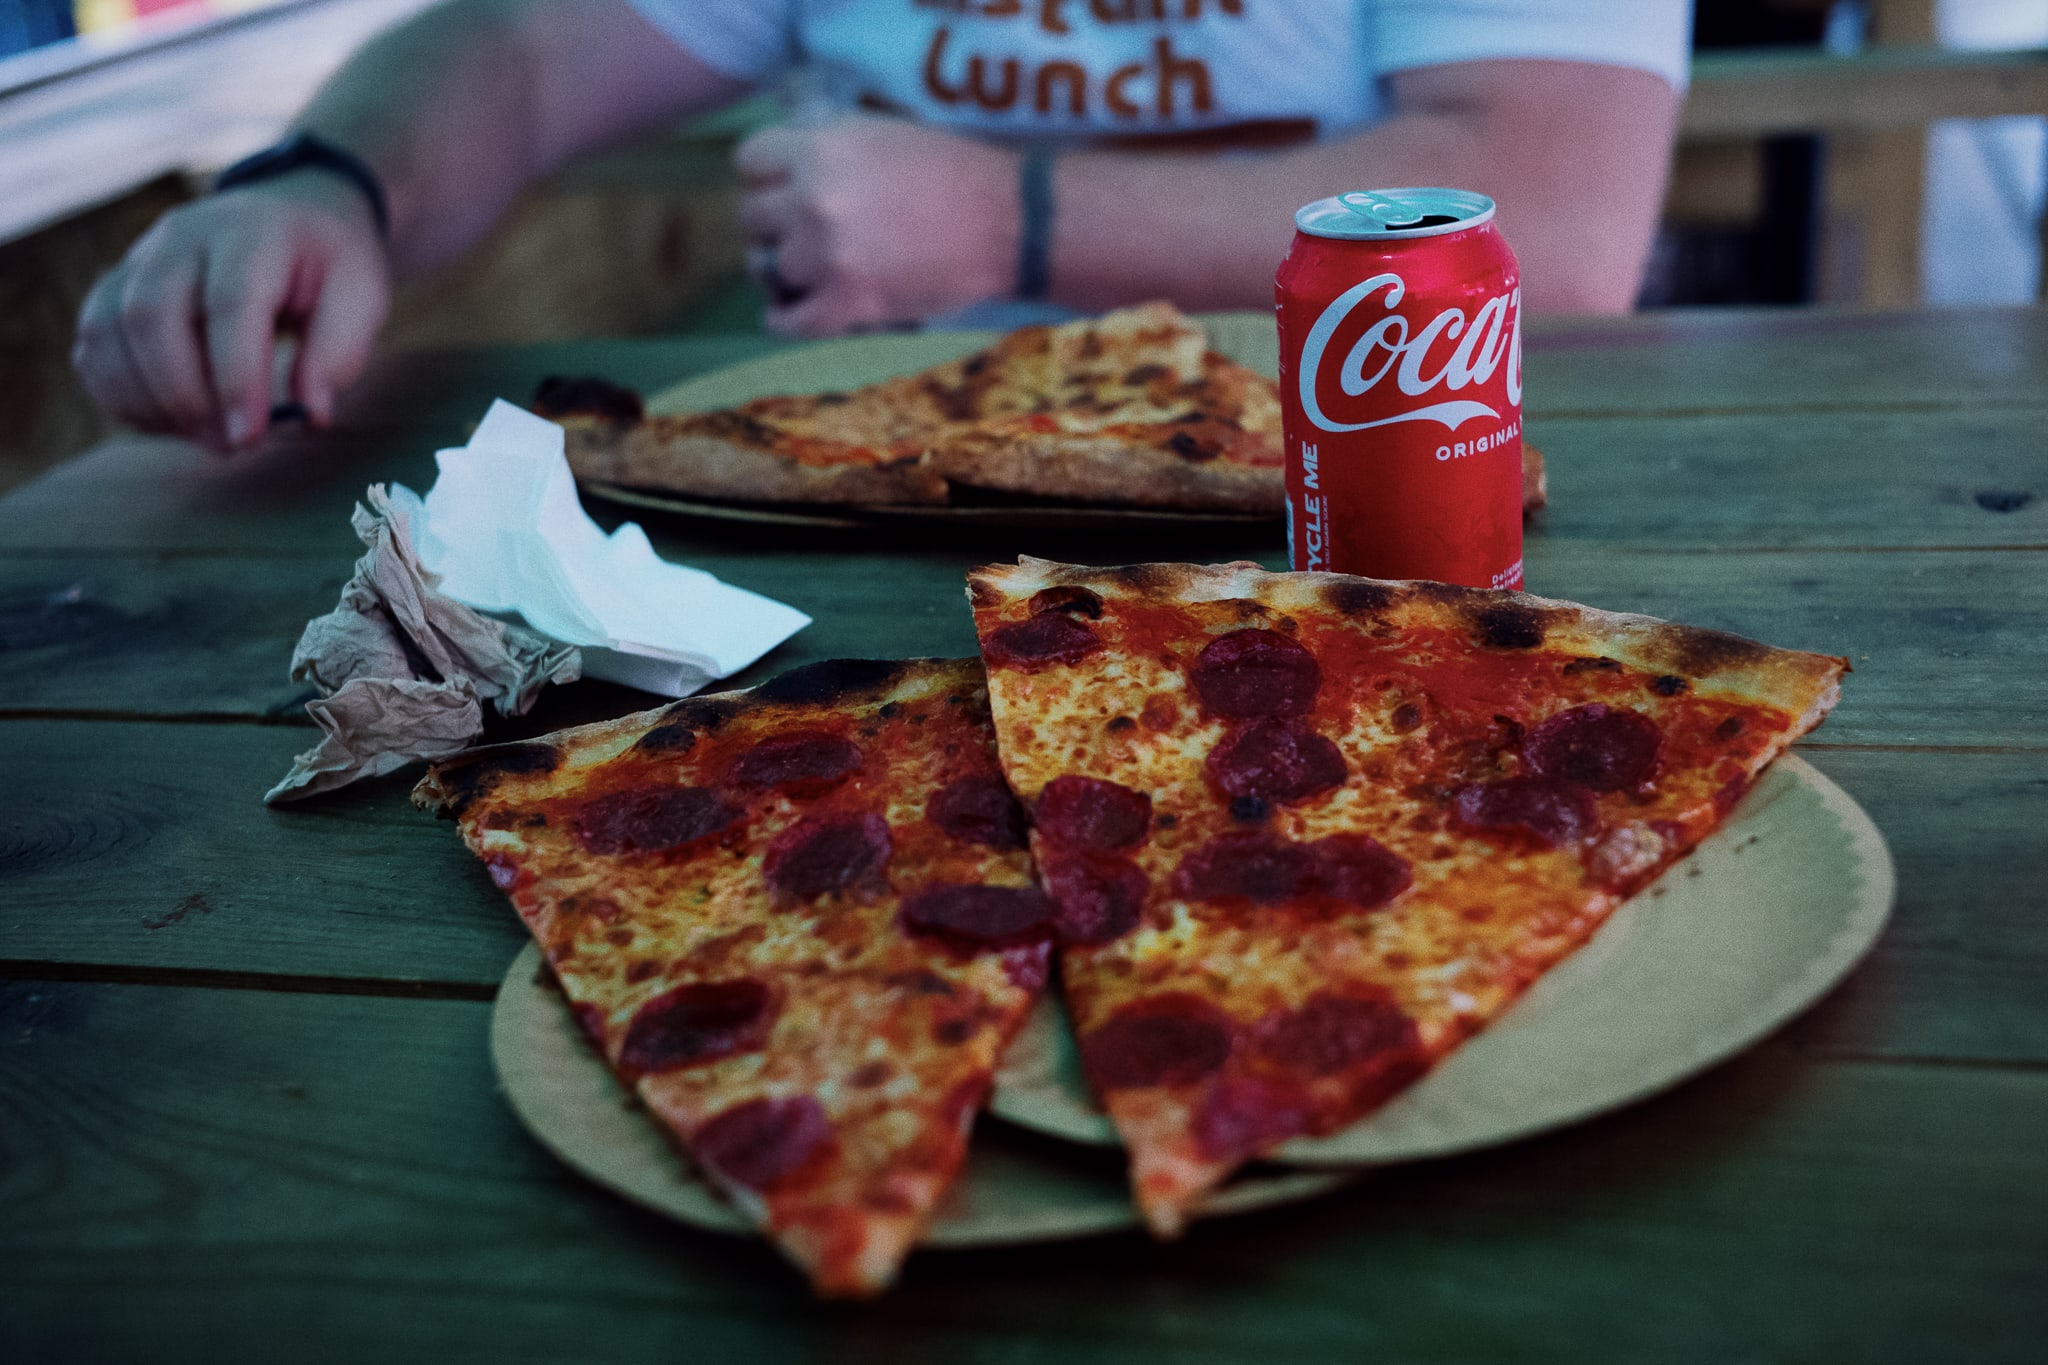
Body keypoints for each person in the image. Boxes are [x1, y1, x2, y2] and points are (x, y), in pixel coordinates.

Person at [72, 0, 1691, 454]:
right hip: (898, 494)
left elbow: (1556, 213)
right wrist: (324, 184)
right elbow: (514, 46)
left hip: (1364, 483)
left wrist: (1008, 216)